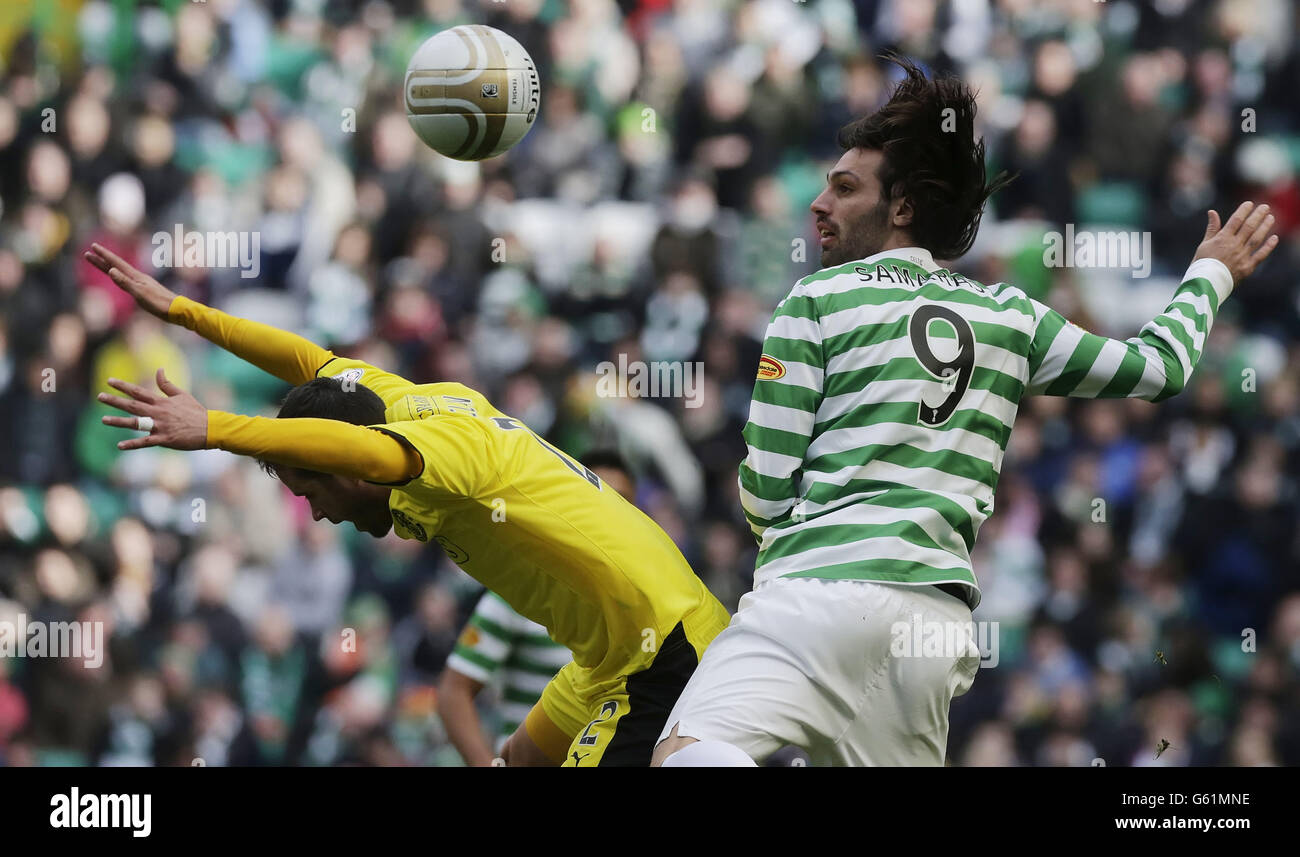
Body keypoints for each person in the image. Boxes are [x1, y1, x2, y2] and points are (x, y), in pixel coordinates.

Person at [652, 57, 1280, 767]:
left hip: (815, 595)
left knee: (687, 751)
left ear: (902, 208)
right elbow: (1160, 369)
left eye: (844, 187)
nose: (817, 204)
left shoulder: (815, 302)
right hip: (930, 627)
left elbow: (764, 494)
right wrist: (1212, 272)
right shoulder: (1009, 314)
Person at [83, 245, 730, 767]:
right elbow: (309, 360)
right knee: (519, 759)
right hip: (610, 651)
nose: (315, 515)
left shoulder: (435, 449)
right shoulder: (386, 398)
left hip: (660, 646)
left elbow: (361, 452)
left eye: (312, 492)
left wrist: (217, 427)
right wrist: (183, 312)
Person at [437, 452, 635, 766]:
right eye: (596, 495)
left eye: (621, 500)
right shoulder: (521, 591)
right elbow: (454, 692)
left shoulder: (644, 599)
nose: (609, 510)